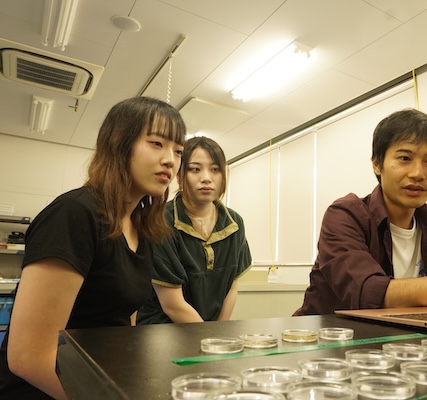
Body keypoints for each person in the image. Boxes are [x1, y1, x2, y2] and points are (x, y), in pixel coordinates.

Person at [0, 97, 186, 399]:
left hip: (101, 378)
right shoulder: (74, 214)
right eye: (156, 143)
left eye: (178, 151)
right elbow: (28, 357)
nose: (170, 160)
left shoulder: (141, 229)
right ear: (119, 144)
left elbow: (123, 320)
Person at [294, 108, 427, 316]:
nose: (418, 173)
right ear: (377, 164)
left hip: (399, 335)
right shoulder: (345, 215)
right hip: (329, 334)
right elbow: (368, 293)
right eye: (405, 158)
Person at [136, 136, 251, 324]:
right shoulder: (161, 221)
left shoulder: (234, 223)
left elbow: (231, 287)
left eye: (215, 169)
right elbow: (172, 305)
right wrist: (209, 337)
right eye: (195, 169)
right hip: (161, 330)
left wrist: (218, 334)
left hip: (208, 331)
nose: (206, 178)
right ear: (179, 176)